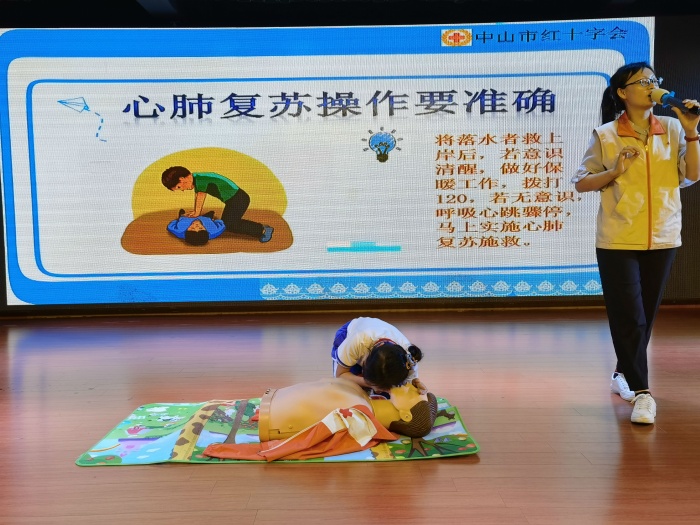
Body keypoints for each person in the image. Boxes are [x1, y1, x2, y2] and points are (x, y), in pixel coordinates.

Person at [572, 62, 700, 424]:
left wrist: (692, 132)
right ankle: (643, 394)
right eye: (641, 82)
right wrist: (615, 171)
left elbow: (692, 175)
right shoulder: (607, 134)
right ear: (622, 92)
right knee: (629, 315)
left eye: (653, 81)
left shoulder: (673, 127)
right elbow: (582, 181)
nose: (650, 86)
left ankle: (622, 374)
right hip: (618, 239)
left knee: (644, 316)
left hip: (663, 235)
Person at [161, 166, 274, 243]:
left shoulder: (200, 179)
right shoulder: (198, 178)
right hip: (234, 199)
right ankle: (262, 229)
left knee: (230, 224)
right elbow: (197, 195)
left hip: (238, 199)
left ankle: (263, 230)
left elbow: (200, 195)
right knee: (229, 222)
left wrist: (197, 212)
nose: (182, 190)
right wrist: (196, 212)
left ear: (181, 179)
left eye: (179, 187)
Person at [331, 317, 427, 395]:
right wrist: (369, 384)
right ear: (365, 362)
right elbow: (341, 375)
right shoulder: (357, 341)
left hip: (373, 334)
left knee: (389, 392)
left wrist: (416, 383)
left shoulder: (408, 357)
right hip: (348, 333)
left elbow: (410, 381)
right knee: (346, 390)